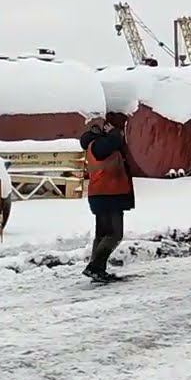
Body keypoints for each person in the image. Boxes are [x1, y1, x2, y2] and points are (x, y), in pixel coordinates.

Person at [79, 121, 134, 282]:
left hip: (102, 195)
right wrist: (114, 132)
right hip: (109, 195)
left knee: (102, 234)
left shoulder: (94, 145)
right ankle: (95, 267)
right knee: (115, 233)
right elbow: (115, 141)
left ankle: (97, 269)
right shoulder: (98, 146)